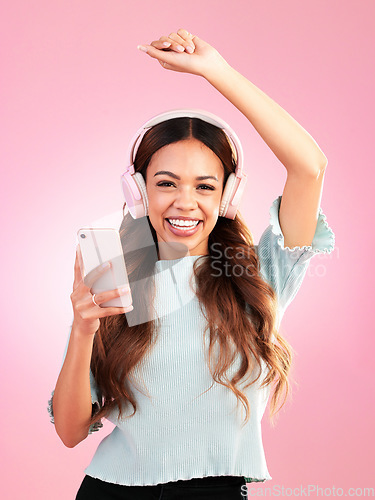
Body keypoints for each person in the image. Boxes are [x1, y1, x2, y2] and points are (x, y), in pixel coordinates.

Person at [48, 29, 335, 500]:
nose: (185, 202)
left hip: (214, 491)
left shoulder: (258, 276)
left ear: (228, 195)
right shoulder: (117, 276)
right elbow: (70, 430)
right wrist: (82, 331)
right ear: (138, 191)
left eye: (205, 186)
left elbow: (310, 166)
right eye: (166, 183)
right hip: (111, 491)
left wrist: (214, 71)